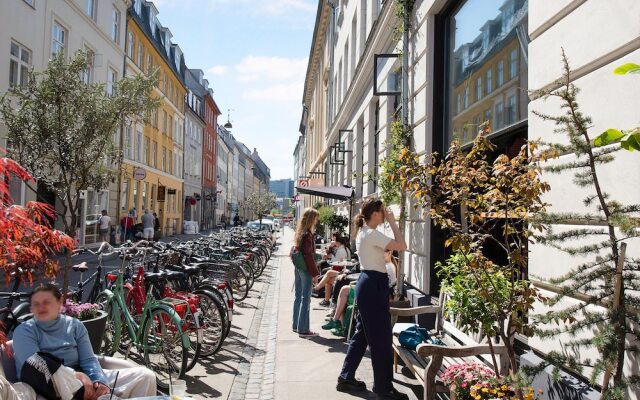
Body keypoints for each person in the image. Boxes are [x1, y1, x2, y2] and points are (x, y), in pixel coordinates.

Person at [13, 284, 156, 399]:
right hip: (46, 386)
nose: (41, 307)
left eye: (46, 302)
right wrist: (77, 377)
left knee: (145, 376)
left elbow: (88, 359)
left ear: (59, 304)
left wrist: (98, 380)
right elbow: (36, 366)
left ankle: (94, 393)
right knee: (48, 366)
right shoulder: (25, 330)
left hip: (82, 377)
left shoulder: (74, 325)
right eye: (36, 304)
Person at [336, 198, 408, 399]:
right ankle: (383, 388)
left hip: (370, 283)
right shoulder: (370, 233)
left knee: (363, 335)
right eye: (383, 210)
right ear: (375, 213)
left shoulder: (365, 232)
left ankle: (346, 377)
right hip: (373, 284)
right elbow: (402, 245)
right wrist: (393, 221)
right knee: (381, 338)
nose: (385, 213)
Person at [324, 249, 397, 336]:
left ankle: (338, 321)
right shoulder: (386, 266)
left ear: (389, 253)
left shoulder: (387, 267)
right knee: (342, 288)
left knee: (343, 290)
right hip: (375, 293)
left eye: (382, 253)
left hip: (374, 296)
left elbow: (379, 284)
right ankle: (339, 322)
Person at [292, 207, 321, 338]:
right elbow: (308, 255)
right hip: (305, 268)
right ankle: (303, 329)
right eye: (315, 218)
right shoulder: (308, 234)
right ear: (311, 219)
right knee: (306, 298)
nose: (317, 221)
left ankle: (296, 325)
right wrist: (315, 273)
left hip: (298, 267)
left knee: (298, 297)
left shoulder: (300, 232)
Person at [315, 236, 351, 306]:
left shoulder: (341, 250)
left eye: (334, 241)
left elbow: (334, 262)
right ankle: (326, 300)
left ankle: (318, 288)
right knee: (328, 280)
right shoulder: (345, 249)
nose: (333, 242)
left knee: (328, 272)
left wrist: (328, 256)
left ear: (338, 242)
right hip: (343, 270)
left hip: (344, 272)